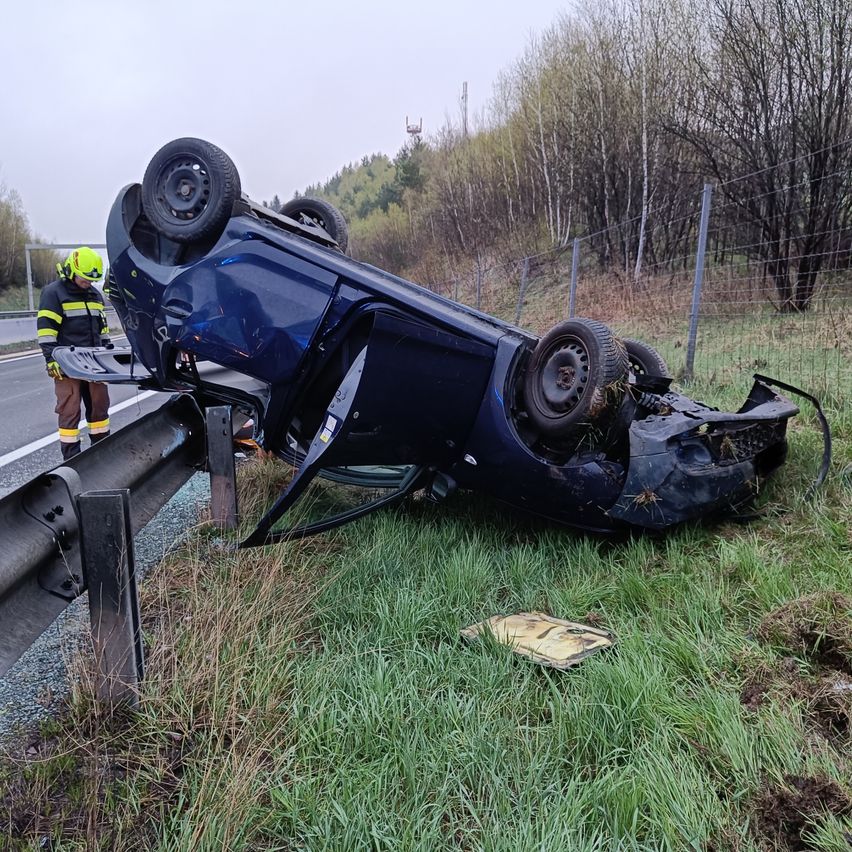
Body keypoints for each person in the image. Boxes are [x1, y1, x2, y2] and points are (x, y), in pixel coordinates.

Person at [37, 246, 112, 460]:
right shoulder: (54, 293)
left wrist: (106, 353)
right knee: (69, 410)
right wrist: (51, 359)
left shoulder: (94, 294)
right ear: (71, 271)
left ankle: (103, 452)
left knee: (100, 407)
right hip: (67, 363)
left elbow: (102, 328)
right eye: (84, 279)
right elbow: (46, 331)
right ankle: (72, 459)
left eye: (91, 280)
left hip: (95, 362)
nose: (88, 283)